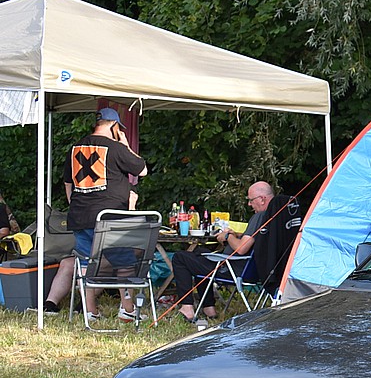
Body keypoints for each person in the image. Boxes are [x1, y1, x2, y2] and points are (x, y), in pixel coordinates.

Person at [44, 108, 149, 321]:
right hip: (110, 218)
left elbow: (68, 183)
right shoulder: (116, 148)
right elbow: (142, 170)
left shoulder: (75, 148)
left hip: (80, 216)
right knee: (124, 263)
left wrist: (76, 204)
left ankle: (90, 311)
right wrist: (125, 145)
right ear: (114, 126)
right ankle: (128, 310)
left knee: (86, 263)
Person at [170, 181, 274, 323]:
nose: (249, 204)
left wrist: (226, 236)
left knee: (180, 257)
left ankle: (187, 308)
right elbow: (253, 240)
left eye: (251, 200)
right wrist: (236, 235)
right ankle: (209, 308)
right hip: (255, 270)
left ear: (262, 199)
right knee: (201, 253)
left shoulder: (260, 216)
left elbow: (242, 248)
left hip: (233, 269)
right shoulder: (275, 217)